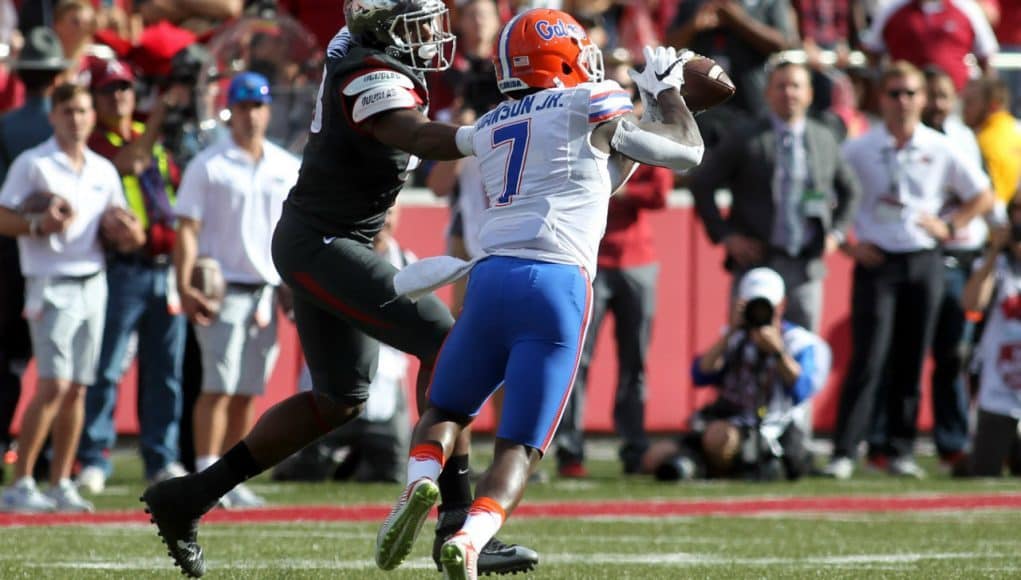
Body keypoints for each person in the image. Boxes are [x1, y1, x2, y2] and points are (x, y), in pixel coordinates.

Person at [140, 1, 538, 576]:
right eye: (417, 21)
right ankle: (457, 522)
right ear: (382, 23)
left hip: (327, 240)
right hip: (321, 242)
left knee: (340, 398)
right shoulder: (365, 66)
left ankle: (186, 499)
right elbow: (415, 135)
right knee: (448, 341)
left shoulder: (368, 52)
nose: (431, 33)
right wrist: (489, 133)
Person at [373, 10, 705, 578]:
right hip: (556, 282)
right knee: (519, 446)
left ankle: (419, 483)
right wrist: (668, 94)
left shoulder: (493, 120)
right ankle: (473, 540)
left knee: (447, 407)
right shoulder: (590, 100)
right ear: (564, 57)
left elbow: (601, 178)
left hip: (491, 274)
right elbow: (685, 151)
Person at [823, 61, 994, 480]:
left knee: (912, 358)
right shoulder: (859, 148)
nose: (903, 102)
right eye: (895, 93)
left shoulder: (941, 145)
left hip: (923, 257)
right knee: (868, 356)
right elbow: (826, 195)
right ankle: (846, 449)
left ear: (922, 99)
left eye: (910, 93)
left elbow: (983, 195)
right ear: (881, 99)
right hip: (877, 259)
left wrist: (951, 226)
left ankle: (899, 449)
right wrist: (847, 243)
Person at [0, 83, 141, 512]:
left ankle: (61, 481)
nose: (76, 119)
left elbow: (120, 225)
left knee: (78, 387)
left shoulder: (102, 169)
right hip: (51, 281)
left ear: (92, 116)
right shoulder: (34, 163)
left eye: (82, 111)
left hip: (93, 279)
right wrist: (40, 224)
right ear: (53, 115)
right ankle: (21, 481)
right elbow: (4, 216)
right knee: (53, 384)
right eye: (68, 111)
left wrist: (128, 232)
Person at [171, 71, 299, 510]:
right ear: (231, 111)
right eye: (243, 106)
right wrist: (184, 284)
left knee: (247, 388)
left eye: (258, 105)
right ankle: (206, 470)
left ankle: (231, 473)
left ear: (268, 109)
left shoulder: (285, 164)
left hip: (266, 288)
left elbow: (295, 230)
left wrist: (291, 283)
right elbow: (187, 228)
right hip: (220, 287)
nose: (251, 115)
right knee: (217, 385)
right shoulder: (209, 164)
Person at [555, 48, 672, 478]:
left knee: (634, 360)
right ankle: (570, 449)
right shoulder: (584, 131)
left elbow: (660, 191)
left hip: (636, 259)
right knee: (578, 359)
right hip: (594, 257)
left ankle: (634, 446)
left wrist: (614, 191)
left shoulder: (638, 132)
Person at [75, 59, 189, 494]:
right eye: (109, 91)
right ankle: (94, 457)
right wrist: (161, 111)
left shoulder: (150, 140)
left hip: (164, 267)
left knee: (166, 372)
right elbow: (129, 162)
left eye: (124, 89)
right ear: (96, 100)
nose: (119, 97)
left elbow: (174, 194)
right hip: (122, 270)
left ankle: (160, 457)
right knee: (106, 368)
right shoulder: (98, 144)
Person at [689, 60, 862, 332]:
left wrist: (836, 234)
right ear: (767, 93)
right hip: (756, 259)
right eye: (781, 86)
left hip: (805, 263)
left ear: (809, 94)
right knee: (746, 339)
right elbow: (702, 183)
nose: (788, 93)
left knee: (803, 346)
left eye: (796, 86)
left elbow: (851, 189)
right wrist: (726, 235)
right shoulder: (745, 136)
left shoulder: (824, 137)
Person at [641, 268, 831, 482]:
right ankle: (702, 465)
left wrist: (778, 352)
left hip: (771, 429)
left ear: (781, 305)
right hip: (727, 420)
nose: (759, 313)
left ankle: (707, 465)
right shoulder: (735, 337)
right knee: (653, 457)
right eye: (752, 305)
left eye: (765, 306)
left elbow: (802, 389)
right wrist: (731, 332)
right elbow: (700, 374)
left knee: (719, 438)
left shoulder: (801, 343)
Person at [273, 207, 412, 484]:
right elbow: (292, 307)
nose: (384, 219)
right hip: (334, 383)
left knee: (390, 473)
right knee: (307, 470)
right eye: (379, 212)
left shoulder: (408, 262)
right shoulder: (329, 257)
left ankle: (358, 457)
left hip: (386, 389)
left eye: (390, 213)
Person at [0, 27, 70, 483]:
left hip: (10, 253)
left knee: (10, 359)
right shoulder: (68, 124)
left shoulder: (6, 125)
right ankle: (45, 460)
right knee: (58, 368)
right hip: (62, 257)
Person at [956, 197, 1021, 477]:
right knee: (984, 470)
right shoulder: (997, 264)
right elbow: (972, 303)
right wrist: (995, 252)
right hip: (1000, 384)